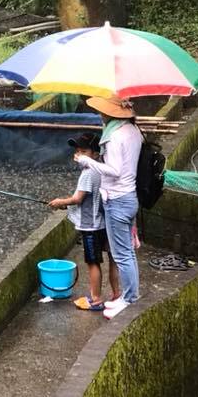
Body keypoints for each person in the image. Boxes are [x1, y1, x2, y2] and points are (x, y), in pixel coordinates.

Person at [76, 95, 142, 319]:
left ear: (109, 113)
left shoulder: (114, 136)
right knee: (127, 253)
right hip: (130, 196)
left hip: (117, 199)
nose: (100, 115)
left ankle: (129, 299)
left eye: (102, 112)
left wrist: (89, 162)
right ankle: (128, 296)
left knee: (122, 254)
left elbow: (114, 170)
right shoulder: (133, 131)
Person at [48, 132, 120, 312]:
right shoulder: (103, 168)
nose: (79, 155)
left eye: (84, 151)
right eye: (77, 151)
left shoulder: (89, 172)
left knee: (93, 262)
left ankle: (95, 299)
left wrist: (60, 202)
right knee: (113, 260)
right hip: (105, 222)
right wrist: (68, 204)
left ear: (95, 154)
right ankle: (117, 294)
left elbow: (78, 199)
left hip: (90, 225)